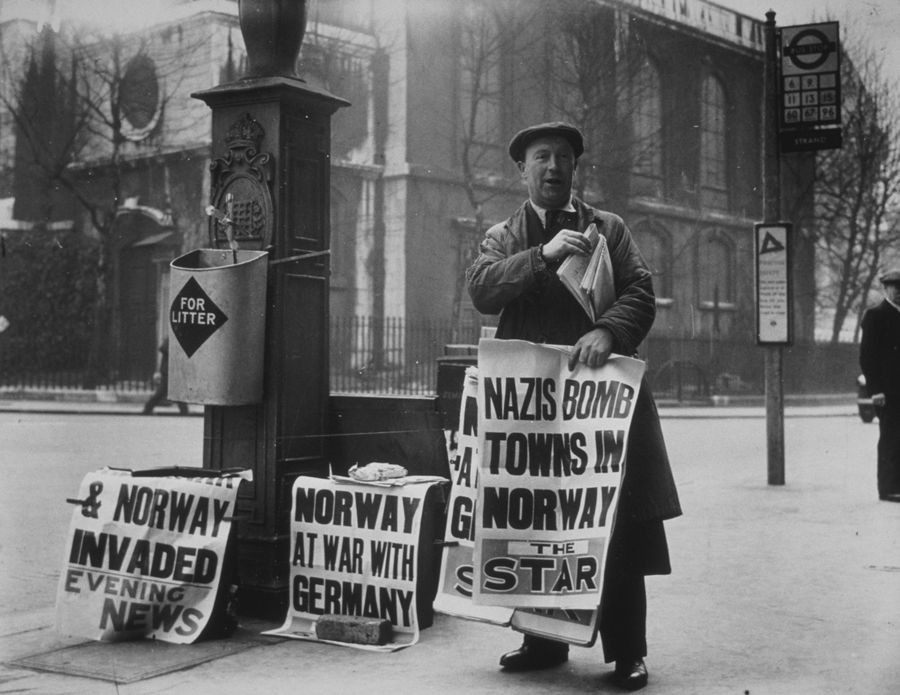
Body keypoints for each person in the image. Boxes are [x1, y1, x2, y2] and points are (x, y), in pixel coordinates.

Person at [466, 122, 681, 691]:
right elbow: (483, 289)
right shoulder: (505, 236)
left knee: (616, 522)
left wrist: (608, 332)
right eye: (542, 158)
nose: (554, 167)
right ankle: (542, 641)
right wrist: (542, 256)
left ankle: (627, 652)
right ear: (523, 170)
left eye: (564, 157)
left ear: (575, 167)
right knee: (539, 519)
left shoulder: (608, 228)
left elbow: (640, 289)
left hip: (601, 404)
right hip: (536, 408)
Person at [859, 269, 900, 502]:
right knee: (890, 439)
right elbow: (867, 357)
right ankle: (888, 488)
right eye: (895, 288)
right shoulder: (875, 315)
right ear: (886, 289)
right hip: (888, 392)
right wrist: (875, 390)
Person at [143, 337, 189, 415]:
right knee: (168, 392)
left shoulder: (174, 340)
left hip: (171, 371)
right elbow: (164, 349)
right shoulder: (172, 340)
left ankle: (184, 411)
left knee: (176, 392)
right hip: (168, 371)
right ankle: (148, 408)